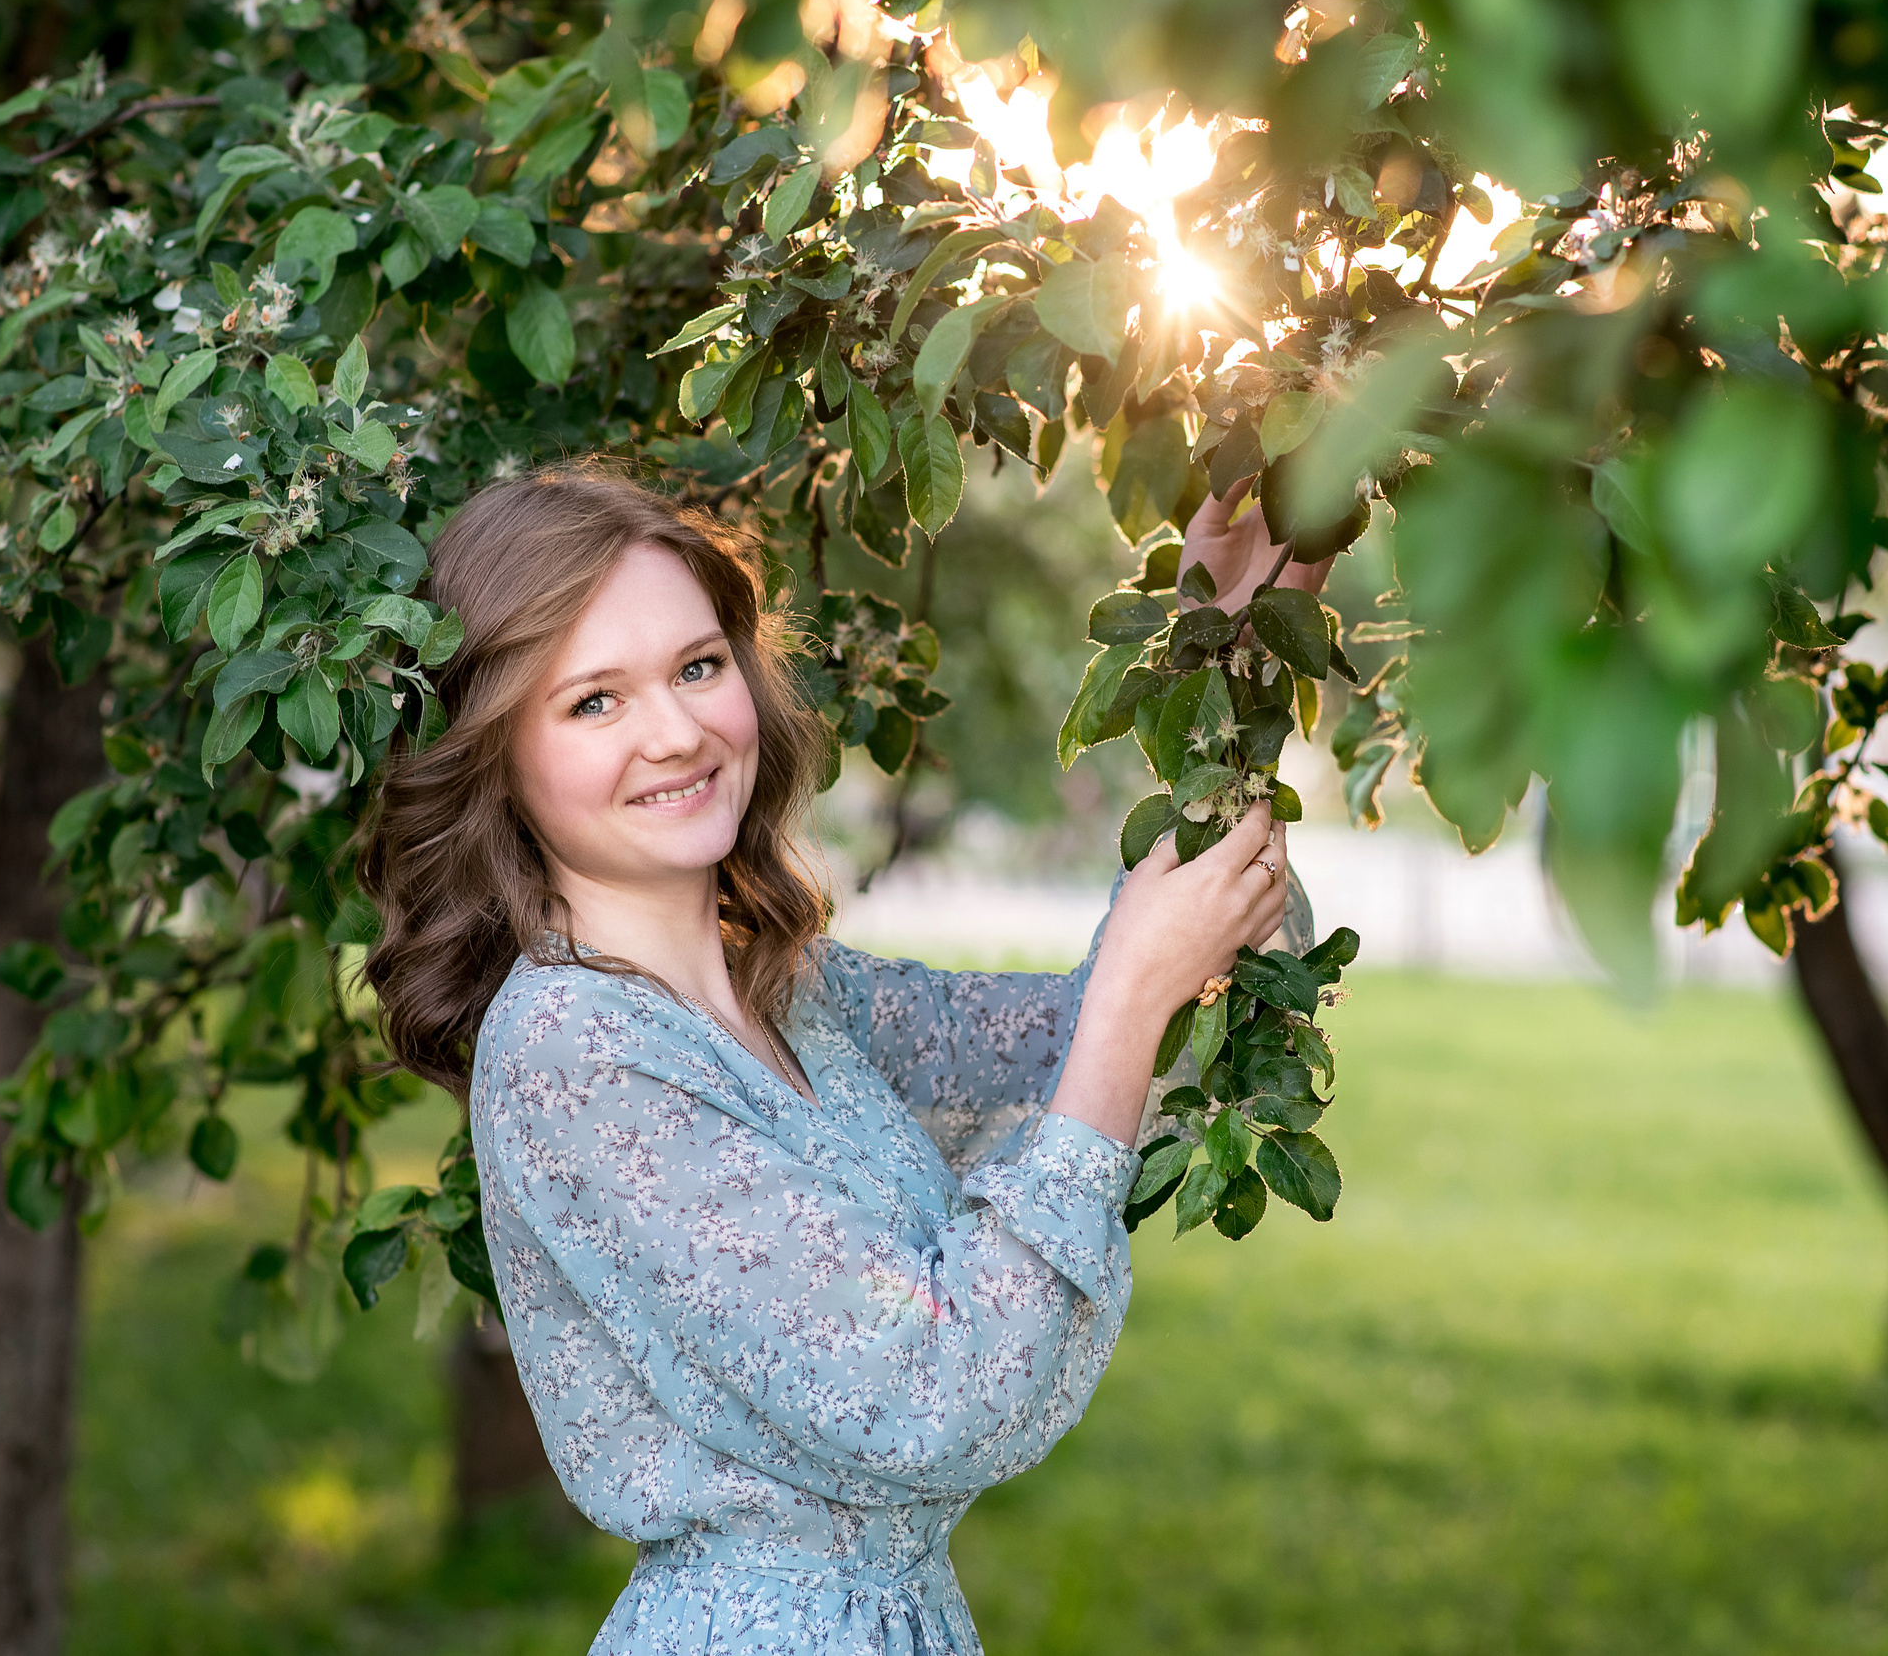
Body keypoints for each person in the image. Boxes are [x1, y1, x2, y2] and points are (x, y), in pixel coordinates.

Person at [358, 461, 1315, 1654]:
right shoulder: (576, 1051)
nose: (676, 730)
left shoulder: (787, 987)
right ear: (498, 751)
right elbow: (935, 1392)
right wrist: (1132, 992)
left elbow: (1110, 1049)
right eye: (592, 700)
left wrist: (1224, 657)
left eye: (697, 666)